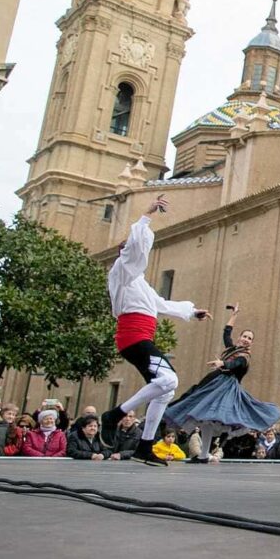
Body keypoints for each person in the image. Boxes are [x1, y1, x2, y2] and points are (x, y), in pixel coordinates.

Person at [99, 195, 212, 466]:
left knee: (165, 391)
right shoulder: (120, 274)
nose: (134, 252)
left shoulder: (140, 284)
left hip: (139, 338)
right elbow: (135, 252)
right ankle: (115, 415)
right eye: (128, 249)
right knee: (170, 380)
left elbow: (160, 304)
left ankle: (145, 446)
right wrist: (146, 217)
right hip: (133, 337)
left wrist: (190, 311)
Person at [163, 303, 280, 464]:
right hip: (214, 383)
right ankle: (204, 455)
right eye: (245, 336)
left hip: (225, 388)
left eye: (249, 338)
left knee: (211, 417)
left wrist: (222, 364)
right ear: (240, 338)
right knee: (205, 421)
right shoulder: (232, 349)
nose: (246, 340)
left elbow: (236, 364)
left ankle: (211, 448)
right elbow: (226, 334)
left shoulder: (244, 356)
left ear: (251, 343)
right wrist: (234, 315)